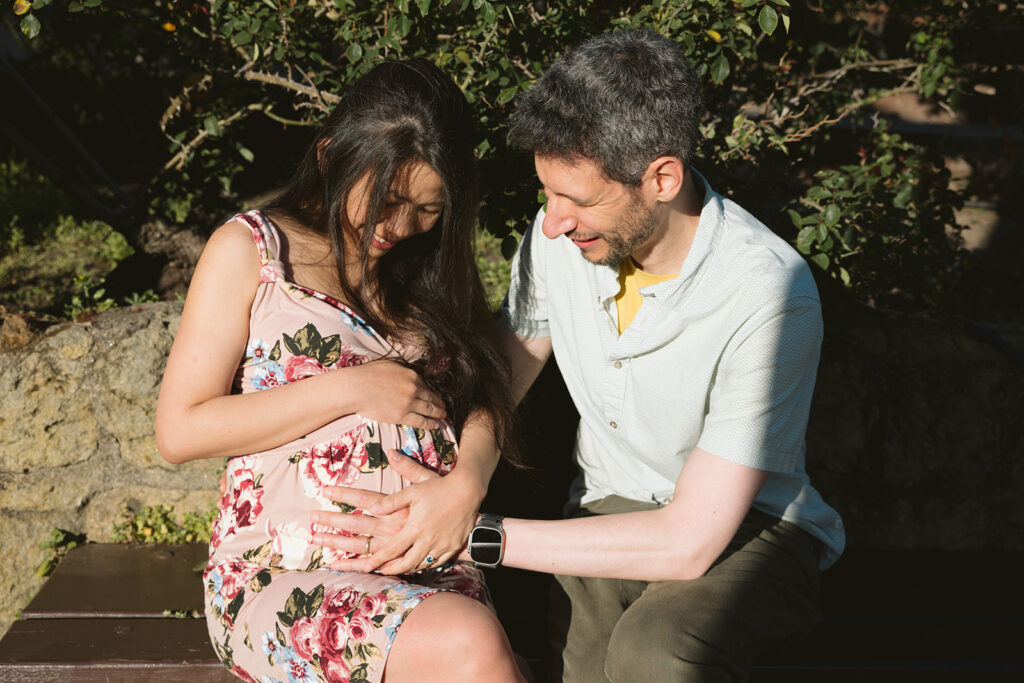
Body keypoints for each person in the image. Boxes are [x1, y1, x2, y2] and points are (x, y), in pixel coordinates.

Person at [318, 28, 846, 682]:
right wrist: (461, 480)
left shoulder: (770, 291)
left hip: (751, 531)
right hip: (602, 512)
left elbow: (689, 541)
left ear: (662, 177)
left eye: (578, 199)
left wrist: (475, 530)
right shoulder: (560, 243)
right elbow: (499, 382)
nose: (552, 221)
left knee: (655, 657)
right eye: (547, 191)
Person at [155, 59, 527, 683]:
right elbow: (180, 430)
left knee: (475, 646)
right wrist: (350, 386)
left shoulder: (427, 275)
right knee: (469, 645)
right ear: (331, 157)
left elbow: (485, 392)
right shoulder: (253, 252)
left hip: (429, 558)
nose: (401, 227)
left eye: (428, 209)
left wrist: (468, 479)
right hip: (287, 569)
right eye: (387, 200)